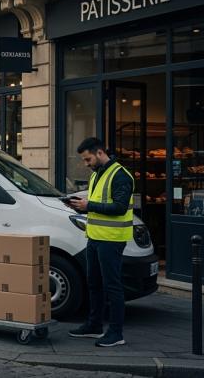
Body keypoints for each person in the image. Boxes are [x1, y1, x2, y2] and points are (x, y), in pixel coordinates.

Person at [67, 137, 134, 348]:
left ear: (99, 153)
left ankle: (116, 333)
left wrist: (89, 205)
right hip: (95, 237)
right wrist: (80, 206)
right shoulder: (97, 174)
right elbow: (98, 204)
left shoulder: (121, 175)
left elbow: (120, 208)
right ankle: (94, 326)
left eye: (88, 159)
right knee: (94, 283)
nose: (86, 164)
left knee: (112, 286)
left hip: (111, 240)